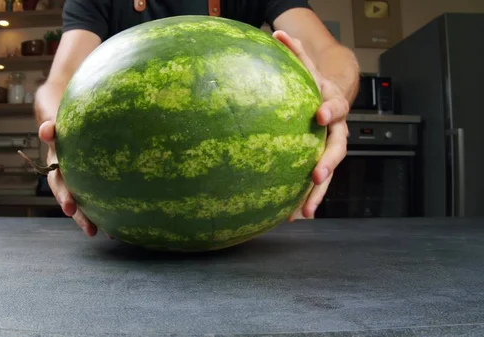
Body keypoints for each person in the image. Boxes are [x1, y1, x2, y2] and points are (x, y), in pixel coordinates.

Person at [35, 0, 359, 237]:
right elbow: (57, 84)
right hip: (122, 228)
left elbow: (332, 54)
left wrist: (333, 97)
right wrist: (57, 130)